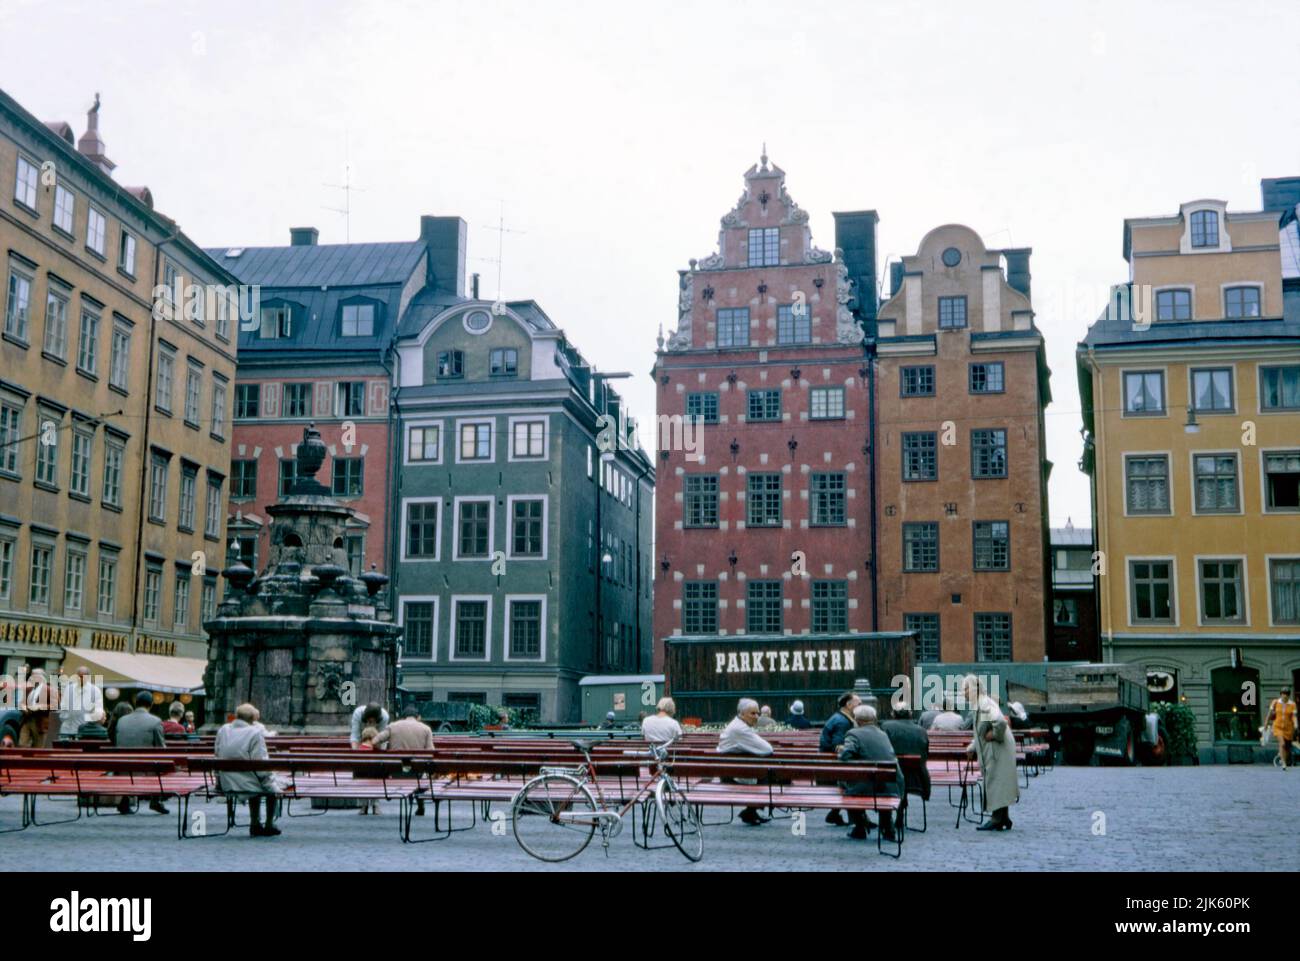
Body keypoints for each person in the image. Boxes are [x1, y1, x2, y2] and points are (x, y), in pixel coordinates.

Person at [215, 703, 283, 837]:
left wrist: (218, 780)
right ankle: (268, 824)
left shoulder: (223, 730)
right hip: (248, 782)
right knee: (269, 784)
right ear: (253, 719)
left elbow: (217, 753)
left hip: (227, 781)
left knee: (253, 779)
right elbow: (261, 764)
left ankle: (255, 823)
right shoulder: (255, 733)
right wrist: (272, 784)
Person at [838, 705, 904, 841]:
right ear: (874, 719)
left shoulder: (853, 733)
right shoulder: (883, 734)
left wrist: (841, 750)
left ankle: (860, 826)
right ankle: (887, 828)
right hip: (890, 785)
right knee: (881, 788)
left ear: (857, 720)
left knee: (844, 784)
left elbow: (845, 756)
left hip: (865, 786)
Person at [962, 675, 1018, 831]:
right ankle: (1003, 817)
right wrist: (973, 746)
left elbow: (1000, 721)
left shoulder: (984, 703)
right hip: (999, 747)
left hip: (998, 748)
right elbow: (981, 733)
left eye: (966, 689)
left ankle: (996, 818)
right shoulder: (980, 704)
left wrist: (994, 735)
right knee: (998, 781)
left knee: (995, 781)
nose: (964, 693)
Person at [718, 698, 773, 826]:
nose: (757, 717)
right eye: (752, 713)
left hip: (732, 771)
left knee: (765, 772)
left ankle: (751, 811)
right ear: (742, 714)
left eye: (757, 713)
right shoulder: (740, 729)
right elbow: (768, 749)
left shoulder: (739, 725)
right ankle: (751, 811)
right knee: (769, 774)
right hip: (732, 775)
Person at [113, 691, 169, 815]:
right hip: (146, 768)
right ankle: (155, 800)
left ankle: (125, 800)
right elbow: (161, 748)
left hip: (123, 768)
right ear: (151, 704)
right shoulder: (156, 721)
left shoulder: (121, 720)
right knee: (164, 764)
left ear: (136, 703)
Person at [373, 704, 434, 815]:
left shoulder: (393, 726)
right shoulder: (426, 729)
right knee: (419, 774)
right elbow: (430, 752)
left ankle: (393, 792)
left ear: (403, 717)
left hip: (395, 772)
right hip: (417, 772)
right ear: (418, 717)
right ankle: (420, 804)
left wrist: (384, 750)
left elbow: (375, 740)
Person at [819, 692, 860, 825]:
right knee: (855, 782)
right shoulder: (843, 722)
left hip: (830, 760)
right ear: (848, 705)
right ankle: (859, 820)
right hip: (835, 762)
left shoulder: (840, 718)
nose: (860, 706)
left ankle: (836, 814)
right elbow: (837, 745)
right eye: (858, 703)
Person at [882, 707, 930, 805]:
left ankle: (886, 818)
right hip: (916, 776)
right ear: (910, 714)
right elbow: (925, 754)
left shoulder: (886, 726)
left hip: (892, 774)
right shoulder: (921, 730)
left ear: (893, 714)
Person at [58, 666, 103, 738]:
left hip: (85, 731)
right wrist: (66, 717)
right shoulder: (69, 689)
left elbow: (98, 712)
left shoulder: (95, 691)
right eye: (78, 676)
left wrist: (84, 718)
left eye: (82, 677)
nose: (79, 679)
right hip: (67, 730)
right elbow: (63, 708)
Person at [1266, 686, 1297, 770]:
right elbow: (1269, 714)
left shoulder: (1292, 704)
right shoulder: (1275, 702)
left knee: (1287, 747)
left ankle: (1282, 758)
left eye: (1287, 694)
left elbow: (1294, 716)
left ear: (1289, 695)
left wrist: (1296, 724)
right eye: (1283, 693)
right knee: (1282, 743)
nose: (1285, 695)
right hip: (1277, 727)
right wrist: (1266, 724)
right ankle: (1284, 764)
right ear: (1281, 694)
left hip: (1288, 729)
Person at [356, 726, 381, 814]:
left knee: (362, 782)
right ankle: (375, 806)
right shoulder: (376, 750)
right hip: (374, 776)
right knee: (376, 780)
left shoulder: (359, 749)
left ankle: (364, 806)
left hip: (360, 775)